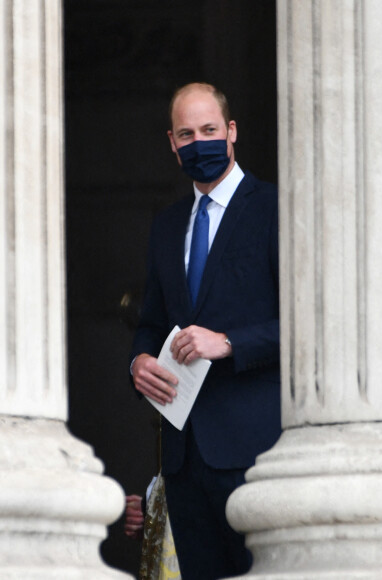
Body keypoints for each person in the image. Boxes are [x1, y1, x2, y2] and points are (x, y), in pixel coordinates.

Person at [130, 82, 281, 580]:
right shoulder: (167, 225)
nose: (200, 142)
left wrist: (231, 343)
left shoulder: (277, 209)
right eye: (187, 134)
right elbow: (151, 322)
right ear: (172, 144)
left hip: (255, 452)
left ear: (232, 131)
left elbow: (311, 327)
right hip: (182, 456)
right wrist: (139, 362)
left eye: (210, 130)